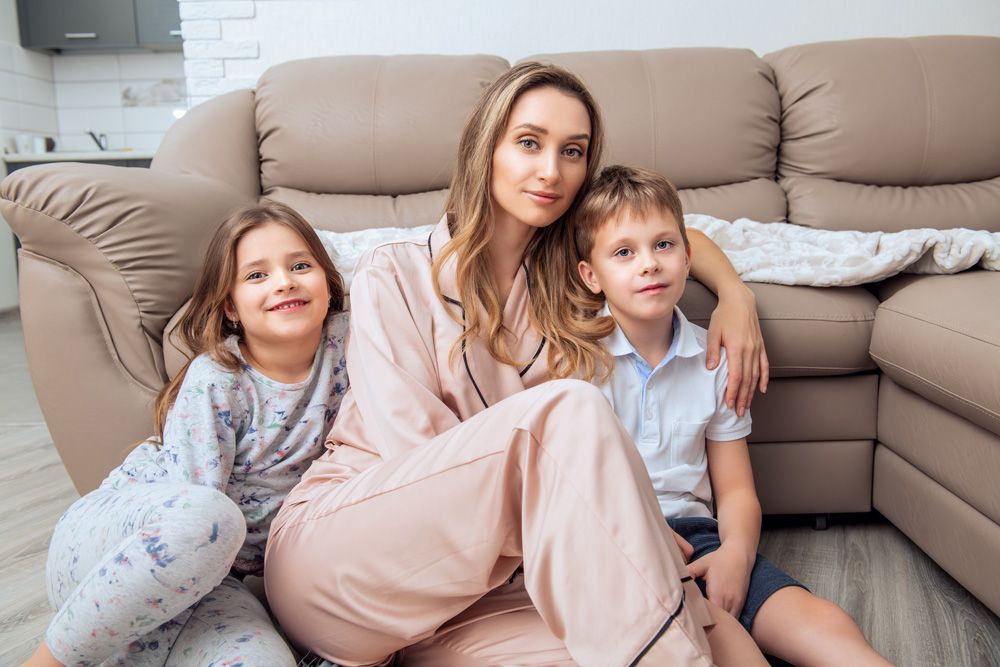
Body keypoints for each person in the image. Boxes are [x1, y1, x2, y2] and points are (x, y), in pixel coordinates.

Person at [265, 63, 769, 666]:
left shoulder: (570, 292)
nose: (551, 170)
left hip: (466, 600)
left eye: (573, 151)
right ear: (488, 149)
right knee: (573, 417)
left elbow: (674, 234)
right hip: (350, 554)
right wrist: (619, 531)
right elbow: (417, 459)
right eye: (529, 142)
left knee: (684, 623)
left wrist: (737, 296)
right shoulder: (392, 272)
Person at [573, 165, 890, 666]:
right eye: (624, 253)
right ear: (591, 276)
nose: (650, 264)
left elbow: (737, 489)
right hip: (616, 538)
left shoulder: (712, 360)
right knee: (717, 638)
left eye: (663, 246)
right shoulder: (575, 363)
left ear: (687, 254)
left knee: (815, 620)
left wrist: (736, 557)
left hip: (700, 535)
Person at [24, 202, 350, 667]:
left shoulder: (353, 342)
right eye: (257, 275)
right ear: (230, 307)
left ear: (329, 283)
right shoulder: (217, 379)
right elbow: (194, 529)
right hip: (115, 553)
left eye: (301, 266)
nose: (284, 281)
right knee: (210, 517)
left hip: (214, 586)